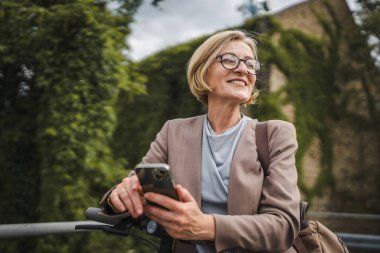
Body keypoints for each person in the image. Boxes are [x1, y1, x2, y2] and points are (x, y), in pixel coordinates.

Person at [100, 30, 300, 253]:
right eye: (229, 60)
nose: (244, 69)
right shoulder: (173, 131)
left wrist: (206, 226)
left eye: (250, 64)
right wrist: (120, 195)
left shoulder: (275, 134)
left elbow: (283, 226)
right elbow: (135, 185)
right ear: (203, 71)